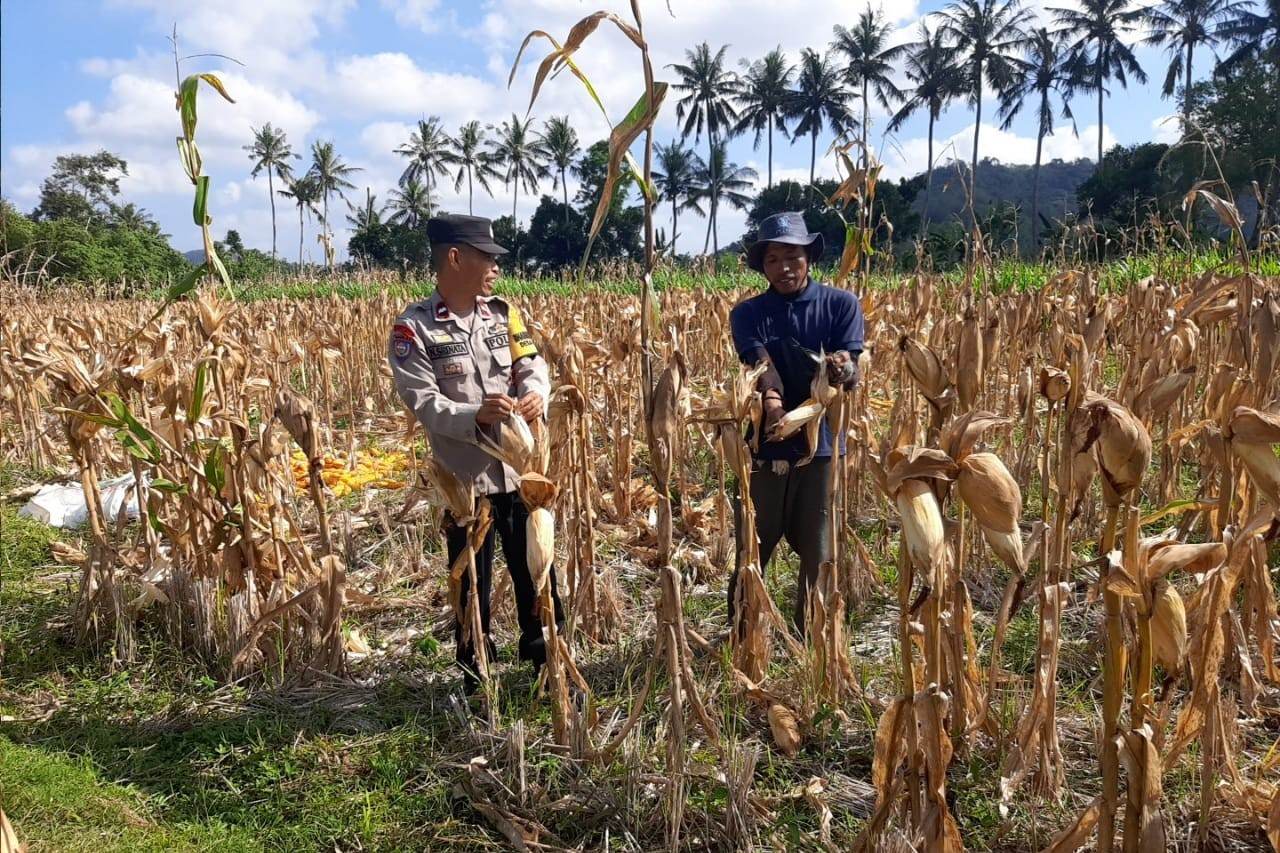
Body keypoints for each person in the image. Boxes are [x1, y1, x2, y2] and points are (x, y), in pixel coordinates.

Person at [388, 214, 564, 694]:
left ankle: (548, 660)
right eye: (487, 257)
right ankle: (476, 674)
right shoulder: (414, 329)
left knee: (538, 569)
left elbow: (532, 364)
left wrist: (535, 395)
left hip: (521, 473)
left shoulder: (504, 314)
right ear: (455, 257)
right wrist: (475, 416)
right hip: (466, 484)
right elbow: (423, 401)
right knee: (471, 583)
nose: (494, 268)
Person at [727, 211, 864, 635]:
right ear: (762, 265)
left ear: (808, 257)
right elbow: (760, 364)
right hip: (765, 446)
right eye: (772, 259)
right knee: (753, 544)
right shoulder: (748, 314)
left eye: (792, 256)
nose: (784, 268)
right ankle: (742, 632)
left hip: (822, 448)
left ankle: (813, 638)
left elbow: (852, 364)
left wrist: (843, 369)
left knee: (819, 550)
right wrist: (771, 401)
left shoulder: (841, 305)